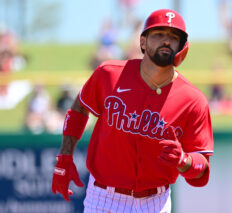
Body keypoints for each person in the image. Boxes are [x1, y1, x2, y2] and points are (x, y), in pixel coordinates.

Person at [52, 9, 214, 213]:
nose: (166, 41)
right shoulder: (109, 74)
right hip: (104, 197)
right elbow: (80, 108)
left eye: (174, 37)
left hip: (155, 202)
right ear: (143, 42)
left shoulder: (193, 100)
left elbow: (202, 172)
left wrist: (184, 161)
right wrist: (64, 157)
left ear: (182, 46)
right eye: (159, 34)